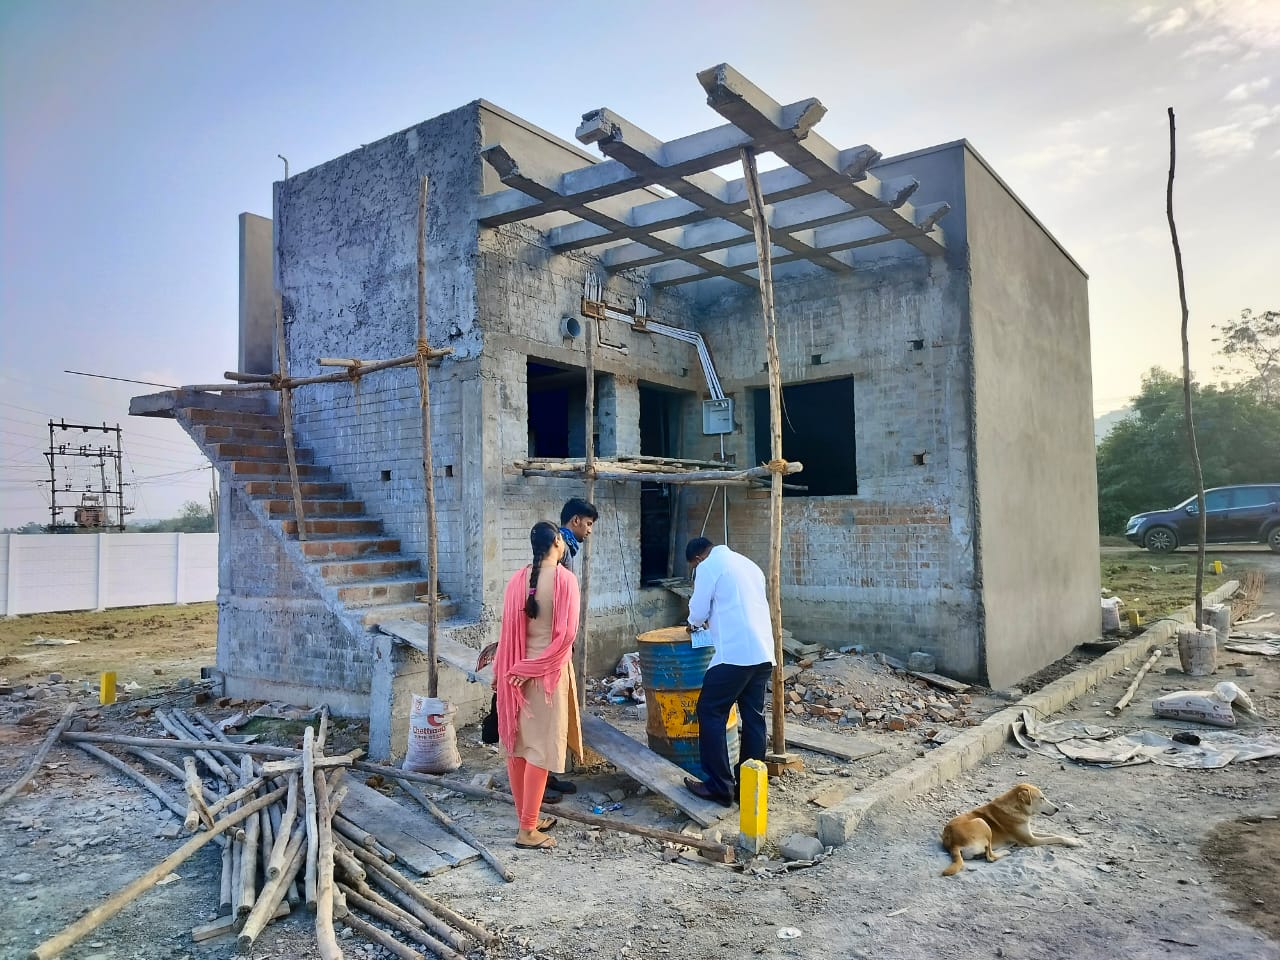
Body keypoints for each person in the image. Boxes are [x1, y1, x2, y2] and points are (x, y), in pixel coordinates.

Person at [494, 521, 584, 849]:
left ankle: (526, 818)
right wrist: (533, 668)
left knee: (518, 749)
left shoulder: (518, 580)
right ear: (558, 541)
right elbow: (565, 639)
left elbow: (506, 636)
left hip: (513, 675)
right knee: (539, 751)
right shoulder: (565, 581)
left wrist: (502, 673)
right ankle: (528, 830)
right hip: (545, 677)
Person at [681, 537, 777, 808]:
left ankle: (719, 786)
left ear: (697, 558)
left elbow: (698, 610)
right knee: (754, 717)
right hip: (762, 654)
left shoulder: (710, 566)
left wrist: (693, 624)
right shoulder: (748, 564)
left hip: (734, 655)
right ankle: (751, 786)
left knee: (710, 711)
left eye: (693, 568)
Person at [558, 497, 598, 578]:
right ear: (576, 520)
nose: (590, 531)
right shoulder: (559, 545)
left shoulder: (567, 544)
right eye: (588, 524)